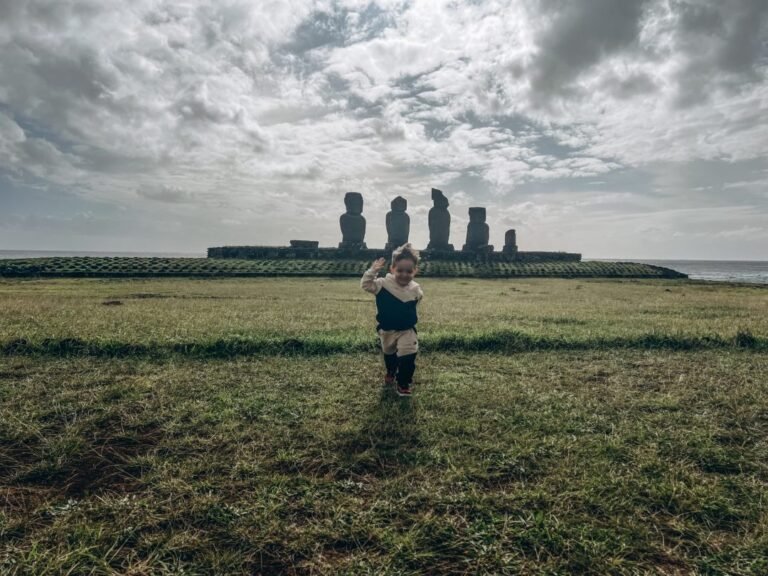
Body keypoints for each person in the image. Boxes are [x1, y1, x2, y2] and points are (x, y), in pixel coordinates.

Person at [360, 243, 423, 396]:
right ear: (392, 269)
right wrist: (373, 270)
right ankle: (391, 371)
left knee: (408, 355)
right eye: (400, 270)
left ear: (415, 271)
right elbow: (366, 285)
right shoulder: (383, 284)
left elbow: (415, 305)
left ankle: (403, 383)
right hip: (387, 329)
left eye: (409, 271)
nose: (404, 274)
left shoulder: (416, 290)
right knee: (389, 354)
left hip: (407, 330)